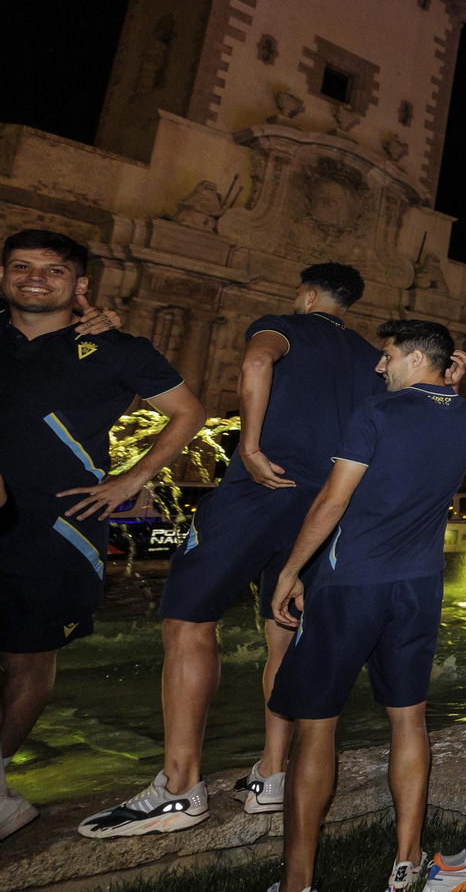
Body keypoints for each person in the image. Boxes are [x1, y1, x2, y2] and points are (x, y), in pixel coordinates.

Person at [80, 263, 395, 838]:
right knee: (284, 628)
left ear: (306, 295)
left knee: (187, 621)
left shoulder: (284, 325)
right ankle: (272, 776)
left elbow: (256, 360)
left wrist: (248, 446)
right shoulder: (369, 356)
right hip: (322, 506)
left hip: (260, 490)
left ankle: (180, 789)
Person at [265, 320, 466, 892]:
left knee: (315, 726)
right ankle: (406, 862)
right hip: (418, 587)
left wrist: (291, 571)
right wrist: (448, 383)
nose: (378, 366)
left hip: (350, 583)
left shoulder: (375, 413)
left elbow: (331, 502)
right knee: (408, 719)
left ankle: (298, 883)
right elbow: (442, 408)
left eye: (388, 356)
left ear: (416, 359)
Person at [0, 230, 206, 840]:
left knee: (26, 657)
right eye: (21, 266)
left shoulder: (117, 348)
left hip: (60, 525)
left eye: (54, 270)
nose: (36, 278)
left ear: (80, 285)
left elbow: (188, 411)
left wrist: (133, 478)